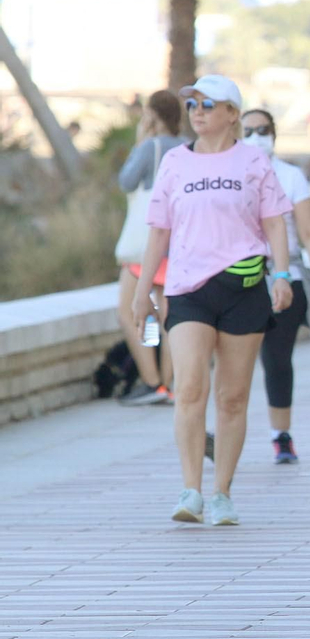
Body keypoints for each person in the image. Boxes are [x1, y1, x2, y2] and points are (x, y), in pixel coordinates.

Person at [133, 75, 296, 526]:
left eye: (208, 104)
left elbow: (275, 222)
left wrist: (282, 275)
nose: (198, 112)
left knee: (233, 396)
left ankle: (222, 491)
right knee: (189, 387)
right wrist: (144, 291)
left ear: (231, 114)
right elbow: (158, 231)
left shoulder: (253, 161)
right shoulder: (174, 162)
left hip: (244, 286)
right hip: (188, 288)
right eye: (193, 105)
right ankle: (191, 490)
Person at [241, 109, 310, 464]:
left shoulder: (290, 176)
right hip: (239, 280)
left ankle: (281, 435)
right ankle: (223, 430)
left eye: (263, 129)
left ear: (274, 133)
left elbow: (309, 232)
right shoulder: (230, 174)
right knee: (235, 363)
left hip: (287, 277)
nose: (256, 136)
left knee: (277, 358)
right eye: (248, 130)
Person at [115, 89, 184, 405]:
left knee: (129, 310)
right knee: (168, 315)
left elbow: (126, 182)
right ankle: (169, 385)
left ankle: (151, 380)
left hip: (147, 245)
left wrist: (140, 141)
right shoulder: (188, 147)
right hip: (178, 243)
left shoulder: (151, 147)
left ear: (151, 116)